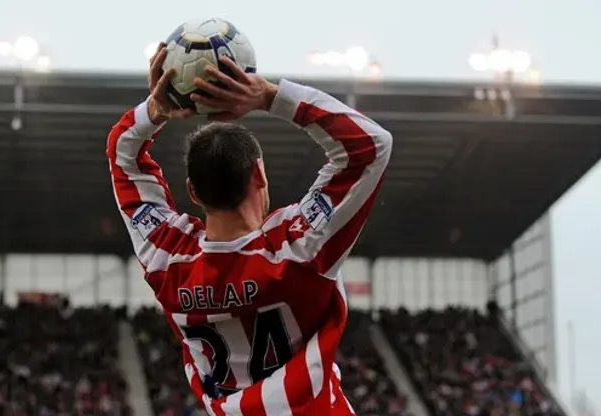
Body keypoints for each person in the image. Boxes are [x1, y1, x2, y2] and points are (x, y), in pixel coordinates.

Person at [106, 43, 392, 415]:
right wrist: (269, 96)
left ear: (192, 190)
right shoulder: (299, 247)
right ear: (259, 174)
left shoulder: (166, 259)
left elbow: (122, 154)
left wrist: (154, 111)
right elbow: (371, 145)